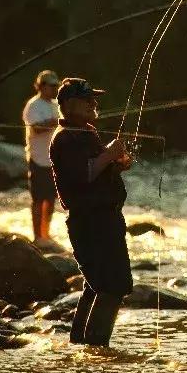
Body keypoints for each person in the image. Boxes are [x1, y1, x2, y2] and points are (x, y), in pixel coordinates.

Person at [48, 78, 133, 347]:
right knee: (112, 287)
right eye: (87, 100)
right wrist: (108, 154)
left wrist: (116, 163)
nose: (93, 103)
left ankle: (80, 348)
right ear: (69, 105)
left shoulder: (85, 132)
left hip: (104, 219)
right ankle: (96, 349)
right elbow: (82, 176)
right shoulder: (65, 138)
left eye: (93, 99)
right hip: (91, 222)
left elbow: (95, 170)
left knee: (95, 285)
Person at [22, 70, 60, 245]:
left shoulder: (56, 105)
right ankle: (37, 237)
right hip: (37, 158)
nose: (55, 89)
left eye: (56, 86)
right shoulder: (33, 105)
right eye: (52, 86)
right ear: (41, 86)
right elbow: (36, 129)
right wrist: (54, 122)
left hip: (54, 159)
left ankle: (46, 235)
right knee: (38, 200)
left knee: (50, 200)